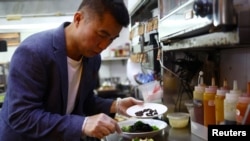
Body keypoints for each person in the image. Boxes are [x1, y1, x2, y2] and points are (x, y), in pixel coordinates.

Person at [0, 0, 143, 141]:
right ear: (78, 18)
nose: (104, 45)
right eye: (101, 34)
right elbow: (21, 116)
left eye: (111, 39)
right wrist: (82, 124)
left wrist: (115, 105)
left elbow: (84, 101)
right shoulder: (33, 52)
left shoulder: (93, 59)